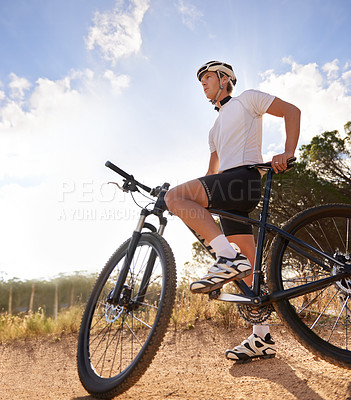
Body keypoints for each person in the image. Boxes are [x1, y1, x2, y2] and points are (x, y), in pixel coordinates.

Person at [165, 60, 301, 363]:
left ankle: (226, 257)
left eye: (208, 77)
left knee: (175, 197)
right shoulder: (214, 129)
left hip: (244, 180)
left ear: (226, 79)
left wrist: (288, 151)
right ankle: (261, 337)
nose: (203, 83)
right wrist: (193, 204)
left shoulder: (247, 100)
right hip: (227, 190)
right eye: (201, 80)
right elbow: (211, 173)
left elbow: (292, 111)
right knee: (251, 278)